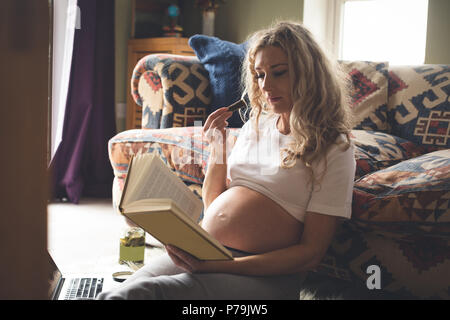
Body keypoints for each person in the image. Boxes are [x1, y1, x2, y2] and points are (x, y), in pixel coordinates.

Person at [98, 21, 355, 300]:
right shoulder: (256, 126)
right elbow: (213, 204)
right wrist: (217, 147)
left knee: (145, 293)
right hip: (208, 251)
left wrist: (224, 265)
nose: (266, 85)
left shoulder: (333, 147)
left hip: (266, 275)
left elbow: (311, 254)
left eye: (279, 73)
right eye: (259, 75)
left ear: (308, 75)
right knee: (118, 292)